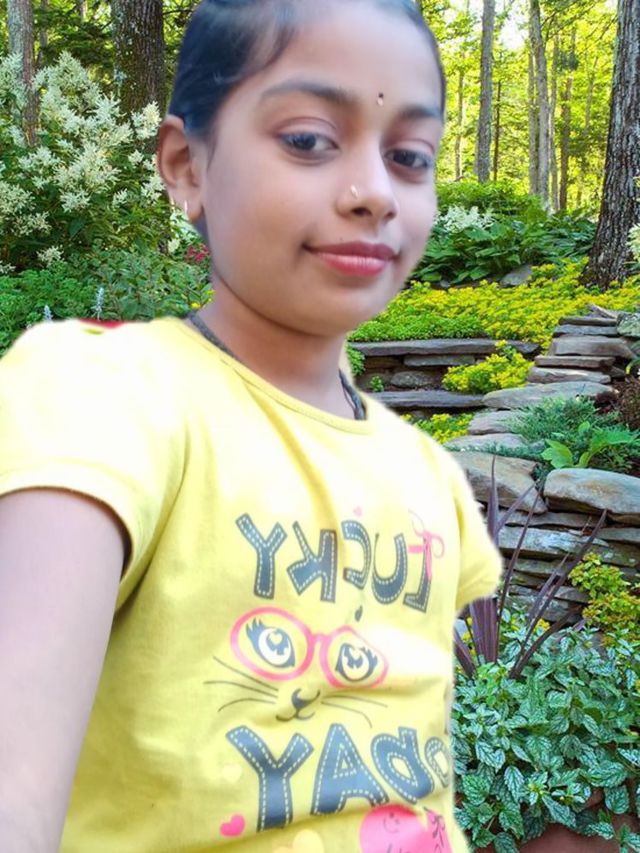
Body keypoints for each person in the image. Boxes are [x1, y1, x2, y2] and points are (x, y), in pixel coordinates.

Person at [0, 1, 503, 850]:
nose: (375, 193)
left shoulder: (428, 474)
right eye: (309, 139)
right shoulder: (106, 395)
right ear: (186, 165)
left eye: (410, 156)